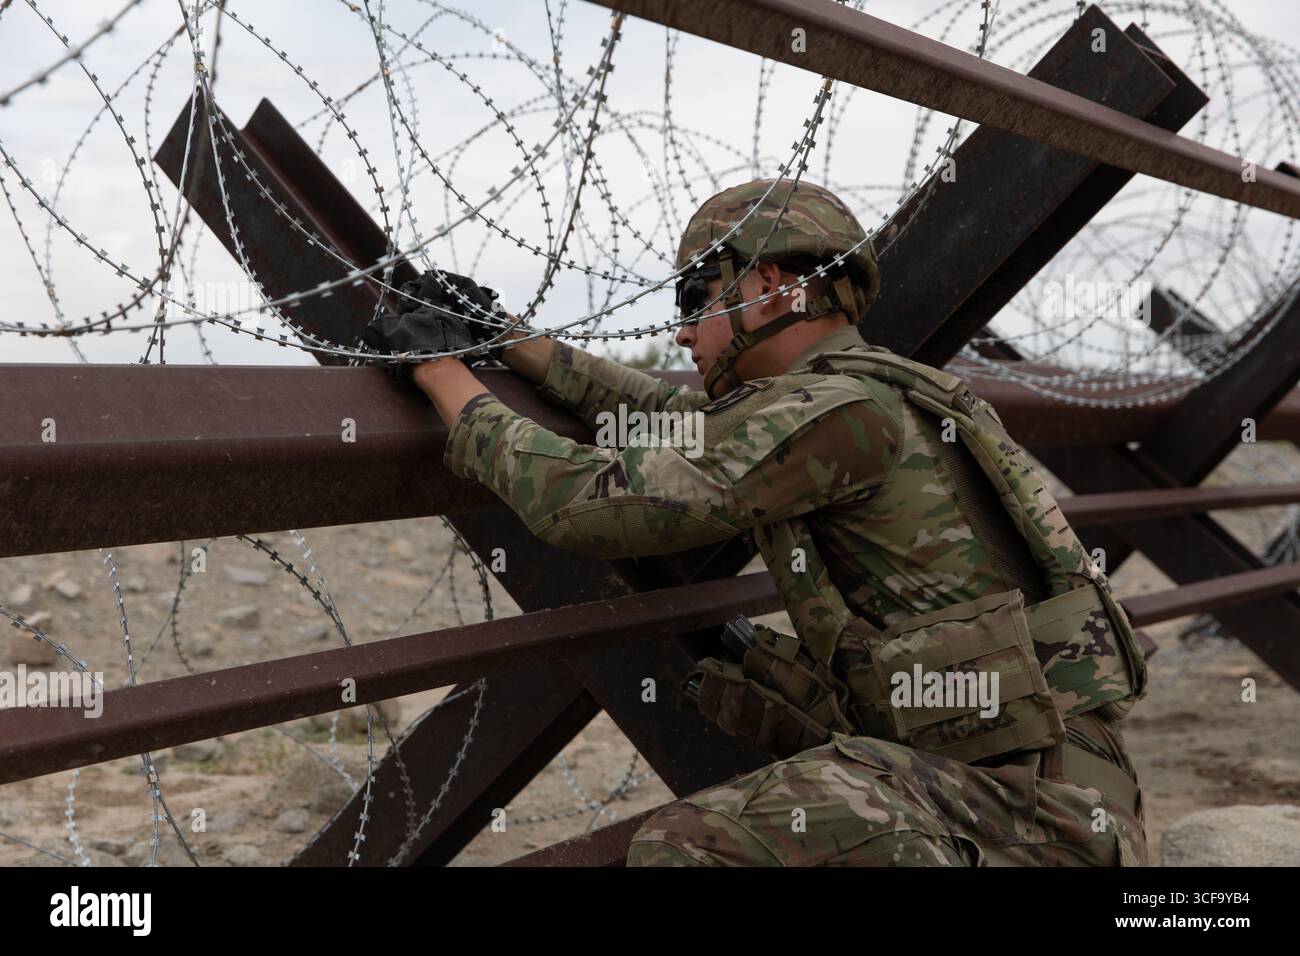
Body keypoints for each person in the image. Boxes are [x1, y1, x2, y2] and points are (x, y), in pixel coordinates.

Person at [363, 179, 1150, 867]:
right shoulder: (870, 392)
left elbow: (586, 503)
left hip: (1026, 815)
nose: (681, 331)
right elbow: (663, 417)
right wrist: (513, 339)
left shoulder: (837, 412)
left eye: (694, 299)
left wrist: (442, 376)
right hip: (1042, 793)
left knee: (688, 848)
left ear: (768, 285)